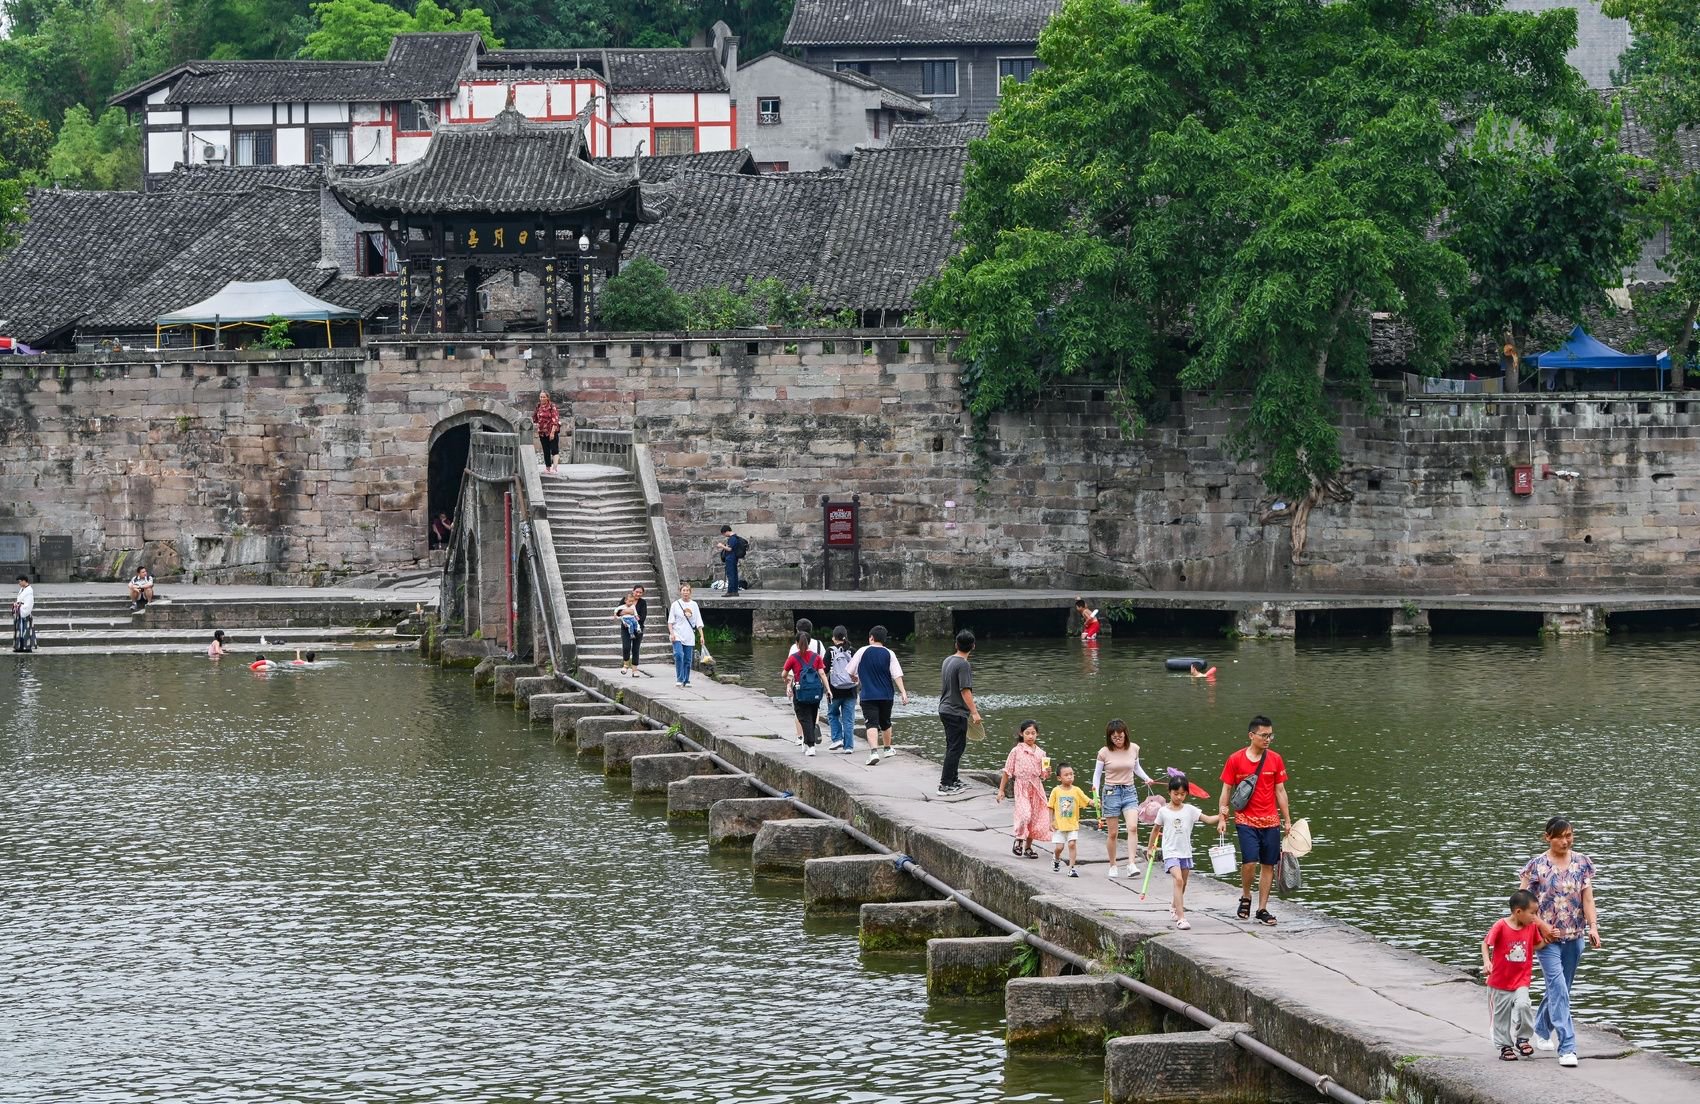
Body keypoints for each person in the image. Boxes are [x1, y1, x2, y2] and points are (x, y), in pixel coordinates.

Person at [1520, 816, 1600, 1067]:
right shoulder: (1536, 866)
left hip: (1574, 936)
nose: (1566, 841)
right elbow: (1522, 905)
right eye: (1560, 836)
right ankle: (1567, 1048)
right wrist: (1543, 927)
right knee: (1558, 989)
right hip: (1546, 940)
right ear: (1548, 838)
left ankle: (1542, 1029)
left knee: (1561, 988)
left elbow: (1587, 899)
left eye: (1570, 836)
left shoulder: (1582, 863)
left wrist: (1593, 927)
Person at [1217, 715, 1291, 926]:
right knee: (1249, 862)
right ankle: (1246, 895)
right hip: (1245, 819)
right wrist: (1223, 817)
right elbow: (1226, 790)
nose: (1268, 739)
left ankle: (1262, 909)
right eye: (1264, 735)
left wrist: (1287, 820)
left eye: (1270, 735)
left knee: (1268, 864)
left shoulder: (1275, 759)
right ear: (1251, 735)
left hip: (1271, 821)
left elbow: (1281, 790)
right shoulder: (1235, 759)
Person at [1483, 889, 1556, 1062]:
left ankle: (1522, 1038)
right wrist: (1487, 962)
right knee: (1501, 1018)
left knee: (1524, 1006)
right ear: (1518, 912)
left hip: (1521, 980)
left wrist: (1548, 939)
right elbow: (1486, 944)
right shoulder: (1501, 925)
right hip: (1499, 982)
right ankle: (1505, 1046)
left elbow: (1536, 945)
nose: (1535, 917)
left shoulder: (1531, 928)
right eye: (1532, 913)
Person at [1146, 774, 1224, 929]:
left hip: (1185, 852)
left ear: (1186, 794)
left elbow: (1208, 819)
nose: (1179, 797)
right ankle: (1181, 918)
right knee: (1178, 880)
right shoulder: (1163, 811)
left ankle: (1174, 905)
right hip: (1170, 852)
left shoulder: (1190, 810)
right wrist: (1149, 848)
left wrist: (1222, 816)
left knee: (1183, 883)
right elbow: (1155, 830)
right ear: (1169, 792)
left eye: (1183, 794)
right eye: (1176, 794)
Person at [1093, 719, 1157, 879]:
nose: (1117, 739)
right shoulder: (1104, 752)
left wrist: (1147, 778)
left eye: (1120, 736)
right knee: (1113, 833)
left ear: (1125, 734)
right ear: (1109, 737)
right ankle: (1113, 865)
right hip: (1111, 792)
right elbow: (1097, 774)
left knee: (1133, 827)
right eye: (1114, 737)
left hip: (1129, 791)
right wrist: (1094, 792)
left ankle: (1131, 863)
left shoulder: (1134, 748)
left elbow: (1136, 767)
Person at [847, 624, 908, 765]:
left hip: (868, 695)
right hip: (887, 695)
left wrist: (854, 677)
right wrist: (903, 692)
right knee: (886, 722)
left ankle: (874, 752)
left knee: (871, 724)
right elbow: (897, 675)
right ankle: (887, 748)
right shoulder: (889, 653)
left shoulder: (862, 651)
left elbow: (850, 670)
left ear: (871, 638)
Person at [936, 629, 983, 796]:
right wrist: (975, 712)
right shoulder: (964, 664)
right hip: (955, 711)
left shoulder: (948, 660)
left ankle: (954, 779)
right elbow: (965, 691)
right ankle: (945, 784)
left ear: (956, 644)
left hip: (945, 709)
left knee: (954, 746)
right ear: (973, 646)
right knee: (956, 748)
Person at [996, 720, 1051, 858]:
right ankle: (1019, 839)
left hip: (1036, 788)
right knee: (1024, 814)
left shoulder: (1041, 753)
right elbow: (1007, 771)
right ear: (1021, 734)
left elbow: (1044, 775)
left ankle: (1028, 847)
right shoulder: (1016, 751)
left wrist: (1048, 771)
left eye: (1033, 733)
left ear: (1037, 734)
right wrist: (1001, 790)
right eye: (1027, 733)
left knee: (1035, 818)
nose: (1030, 736)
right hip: (1021, 787)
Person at [783, 627, 829, 756]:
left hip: (800, 691)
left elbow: (784, 673)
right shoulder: (816, 657)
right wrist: (828, 690)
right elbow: (822, 674)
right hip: (815, 691)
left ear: (797, 643)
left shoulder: (793, 657)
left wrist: (785, 679)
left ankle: (810, 744)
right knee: (813, 716)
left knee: (803, 717)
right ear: (809, 643)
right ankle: (806, 743)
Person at [1048, 763, 1088, 877]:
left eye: (1071, 774)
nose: (1070, 777)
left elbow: (1086, 800)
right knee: (1059, 847)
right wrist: (1050, 821)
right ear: (1059, 778)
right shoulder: (1056, 791)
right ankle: (1056, 858)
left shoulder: (1076, 790)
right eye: (1066, 775)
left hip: (1072, 825)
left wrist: (1094, 802)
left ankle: (1071, 868)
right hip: (1059, 825)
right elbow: (1050, 806)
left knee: (1072, 844)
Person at [666, 583, 709, 687]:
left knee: (688, 659)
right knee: (679, 655)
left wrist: (702, 636)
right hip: (677, 634)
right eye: (683, 590)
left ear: (690, 592)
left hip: (689, 635)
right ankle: (679, 678)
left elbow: (698, 621)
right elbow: (670, 621)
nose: (685, 592)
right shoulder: (675, 604)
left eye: (687, 591)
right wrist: (672, 634)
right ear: (680, 592)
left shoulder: (694, 605)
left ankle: (686, 680)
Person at [824, 626, 859, 754]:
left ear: (834, 638)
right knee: (848, 719)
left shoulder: (830, 651)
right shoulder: (853, 651)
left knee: (833, 714)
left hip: (833, 690)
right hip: (851, 690)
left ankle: (837, 738)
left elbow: (824, 670)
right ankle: (848, 746)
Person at [615, 589, 643, 677]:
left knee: (635, 649)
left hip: (637, 627)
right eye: (636, 592)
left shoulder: (642, 603)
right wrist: (629, 612)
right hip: (625, 627)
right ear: (633, 591)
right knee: (626, 647)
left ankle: (635, 670)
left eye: (640, 592)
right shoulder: (625, 599)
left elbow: (642, 616)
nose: (638, 594)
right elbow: (618, 613)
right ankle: (626, 665)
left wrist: (633, 616)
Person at [713, 524, 747, 595]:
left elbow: (729, 549)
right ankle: (734, 591)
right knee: (734, 574)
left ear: (727, 531)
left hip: (731, 559)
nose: (724, 535)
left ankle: (730, 591)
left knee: (731, 575)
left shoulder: (732, 538)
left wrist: (721, 546)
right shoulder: (734, 538)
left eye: (724, 533)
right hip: (733, 558)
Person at [533, 391, 562, 473]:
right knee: (546, 450)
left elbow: (555, 420)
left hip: (552, 430)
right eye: (541, 397)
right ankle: (547, 467)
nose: (542, 398)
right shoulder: (538, 406)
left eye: (543, 397)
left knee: (554, 449)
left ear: (547, 398)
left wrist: (552, 432)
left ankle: (554, 468)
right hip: (542, 432)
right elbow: (535, 418)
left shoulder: (552, 407)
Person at [12, 575, 35, 653]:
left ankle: (26, 647)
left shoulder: (29, 591)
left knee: (25, 630)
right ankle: (20, 646)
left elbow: (29, 604)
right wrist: (17, 605)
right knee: (20, 630)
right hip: (20, 612)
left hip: (25, 613)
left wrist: (20, 608)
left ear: (24, 581)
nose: (19, 583)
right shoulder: (22, 589)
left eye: (20, 581)